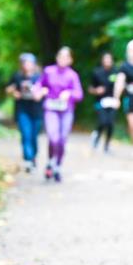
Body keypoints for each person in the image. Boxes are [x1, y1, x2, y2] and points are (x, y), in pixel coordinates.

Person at [36, 46, 84, 183]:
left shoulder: (73, 75)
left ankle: (58, 165)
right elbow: (39, 85)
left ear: (70, 60)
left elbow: (79, 94)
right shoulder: (48, 71)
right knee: (53, 137)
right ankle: (51, 160)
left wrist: (69, 94)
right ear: (57, 58)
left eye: (66, 57)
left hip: (66, 110)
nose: (63, 59)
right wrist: (40, 91)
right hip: (51, 109)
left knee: (62, 139)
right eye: (60, 56)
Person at [5, 53, 43, 173]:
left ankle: (33, 157)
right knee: (26, 135)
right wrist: (13, 92)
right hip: (22, 110)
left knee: (33, 136)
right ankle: (28, 160)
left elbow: (46, 90)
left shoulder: (39, 77)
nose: (27, 65)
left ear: (34, 64)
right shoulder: (17, 76)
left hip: (37, 111)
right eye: (24, 62)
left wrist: (40, 94)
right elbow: (8, 89)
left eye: (29, 62)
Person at [89, 52, 119, 153]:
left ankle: (107, 145)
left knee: (110, 123)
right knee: (102, 121)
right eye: (106, 59)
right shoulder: (97, 72)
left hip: (113, 101)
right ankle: (96, 138)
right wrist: (96, 91)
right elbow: (90, 88)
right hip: (100, 101)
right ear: (102, 60)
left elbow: (121, 85)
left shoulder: (116, 72)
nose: (107, 61)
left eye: (109, 59)